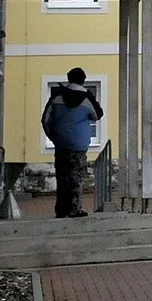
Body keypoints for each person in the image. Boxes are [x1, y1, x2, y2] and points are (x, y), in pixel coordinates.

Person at [41, 68, 103, 218]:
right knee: (76, 177)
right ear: (83, 80)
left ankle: (61, 210)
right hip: (79, 145)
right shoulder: (87, 99)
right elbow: (97, 115)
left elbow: (45, 119)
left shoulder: (56, 97)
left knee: (62, 177)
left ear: (68, 79)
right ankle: (75, 209)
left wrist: (53, 136)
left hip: (61, 143)